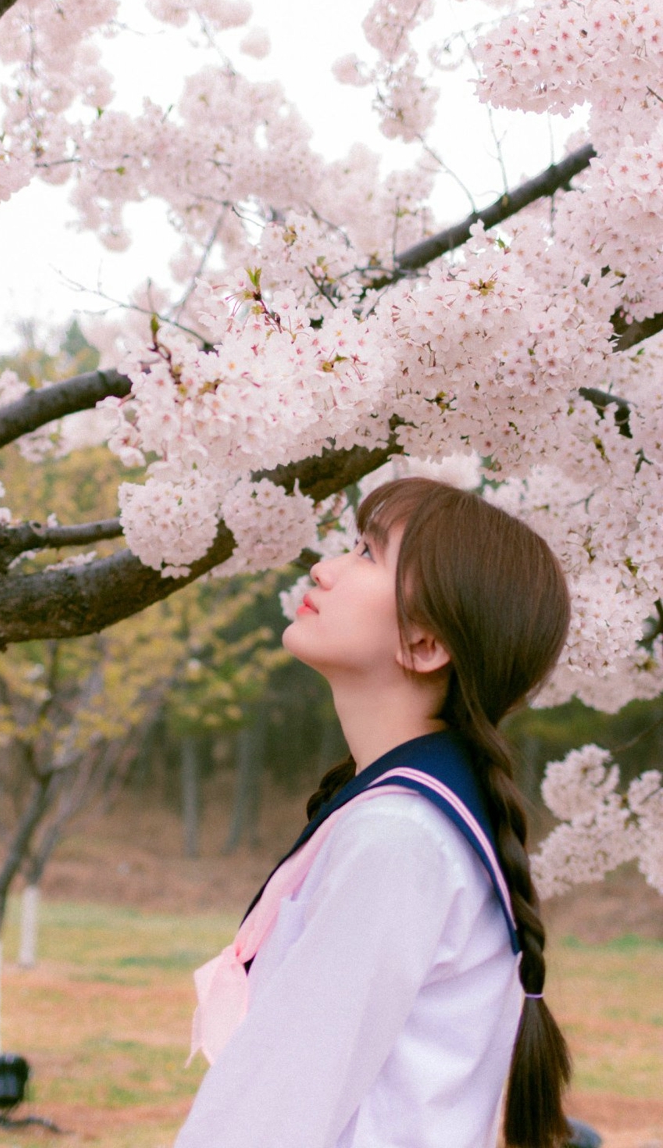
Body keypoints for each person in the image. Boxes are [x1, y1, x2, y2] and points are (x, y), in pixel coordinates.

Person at [174, 476, 573, 1148]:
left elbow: (274, 1110)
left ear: (424, 644)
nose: (323, 569)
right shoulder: (407, 819)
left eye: (366, 554)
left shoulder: (398, 836)